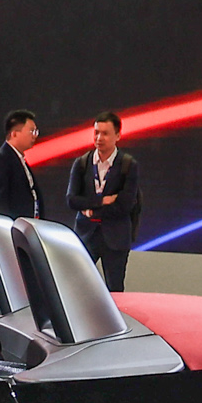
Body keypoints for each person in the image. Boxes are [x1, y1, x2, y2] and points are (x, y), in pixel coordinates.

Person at [65, 110, 142, 292]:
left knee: (114, 289)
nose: (99, 138)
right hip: (86, 234)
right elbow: (72, 200)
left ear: (118, 136)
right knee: (77, 287)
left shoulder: (128, 165)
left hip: (115, 237)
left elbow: (125, 205)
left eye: (105, 133)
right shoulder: (82, 163)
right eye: (96, 133)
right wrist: (101, 202)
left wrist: (90, 209)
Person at [0, 110, 41, 219]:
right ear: (14, 134)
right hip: (14, 226)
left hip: (29, 224)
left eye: (36, 131)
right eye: (31, 131)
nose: (35, 136)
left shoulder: (20, 159)